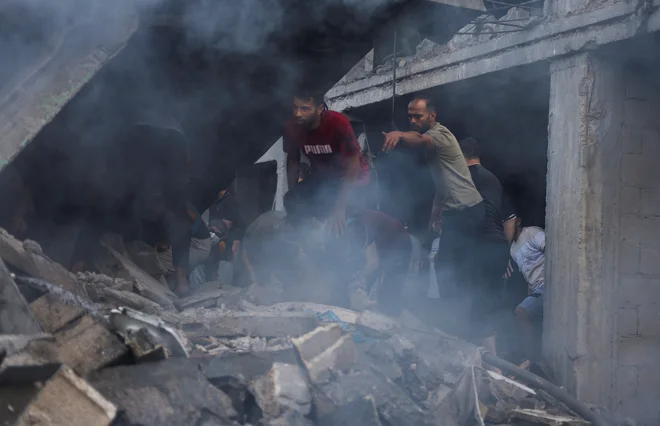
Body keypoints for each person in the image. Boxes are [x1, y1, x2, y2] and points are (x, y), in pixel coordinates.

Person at [382, 97, 484, 299]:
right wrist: (437, 211)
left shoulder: (439, 135)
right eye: (410, 116)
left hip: (469, 210)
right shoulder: (430, 137)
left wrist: (399, 135)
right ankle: (454, 317)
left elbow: (420, 139)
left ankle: (465, 320)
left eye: (418, 116)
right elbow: (442, 179)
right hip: (455, 212)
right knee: (447, 264)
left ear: (432, 116)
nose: (413, 121)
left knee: (458, 268)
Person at [285, 190, 413, 316]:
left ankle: (399, 328)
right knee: (350, 293)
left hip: (398, 242)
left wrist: (358, 279)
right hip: (379, 245)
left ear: (315, 219)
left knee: (389, 299)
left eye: (311, 225)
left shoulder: (351, 225)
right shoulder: (331, 231)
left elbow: (372, 262)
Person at [284, 88, 371, 236]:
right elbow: (293, 160)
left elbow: (353, 166)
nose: (298, 113)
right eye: (295, 107)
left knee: (342, 214)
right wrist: (294, 195)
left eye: (305, 109)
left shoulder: (338, 123)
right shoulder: (292, 127)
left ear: (319, 109)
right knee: (291, 199)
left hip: (354, 177)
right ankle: (314, 233)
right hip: (324, 178)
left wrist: (340, 208)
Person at [458, 137, 515, 357]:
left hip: (478, 246)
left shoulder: (463, 177)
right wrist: (503, 251)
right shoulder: (494, 181)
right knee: (488, 303)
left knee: (470, 300)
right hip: (497, 248)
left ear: (460, 156)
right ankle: (493, 358)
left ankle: (482, 357)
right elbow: (510, 219)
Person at [508, 217, 546, 362]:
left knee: (521, 311)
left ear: (517, 221)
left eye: (506, 223)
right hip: (537, 290)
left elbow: (553, 252)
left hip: (549, 287)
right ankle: (533, 360)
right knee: (522, 313)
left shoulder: (532, 233)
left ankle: (531, 361)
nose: (504, 228)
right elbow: (528, 277)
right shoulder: (513, 249)